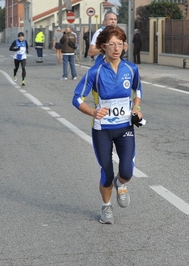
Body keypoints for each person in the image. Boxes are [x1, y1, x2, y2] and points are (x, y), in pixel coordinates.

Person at [72, 26, 143, 224]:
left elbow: (138, 90)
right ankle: (106, 208)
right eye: (112, 44)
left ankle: (121, 184)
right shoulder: (95, 72)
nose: (116, 48)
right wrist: (93, 112)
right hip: (102, 130)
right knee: (106, 171)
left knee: (127, 171)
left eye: (120, 44)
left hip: (125, 127)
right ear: (103, 47)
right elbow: (77, 99)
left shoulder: (131, 69)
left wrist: (137, 107)